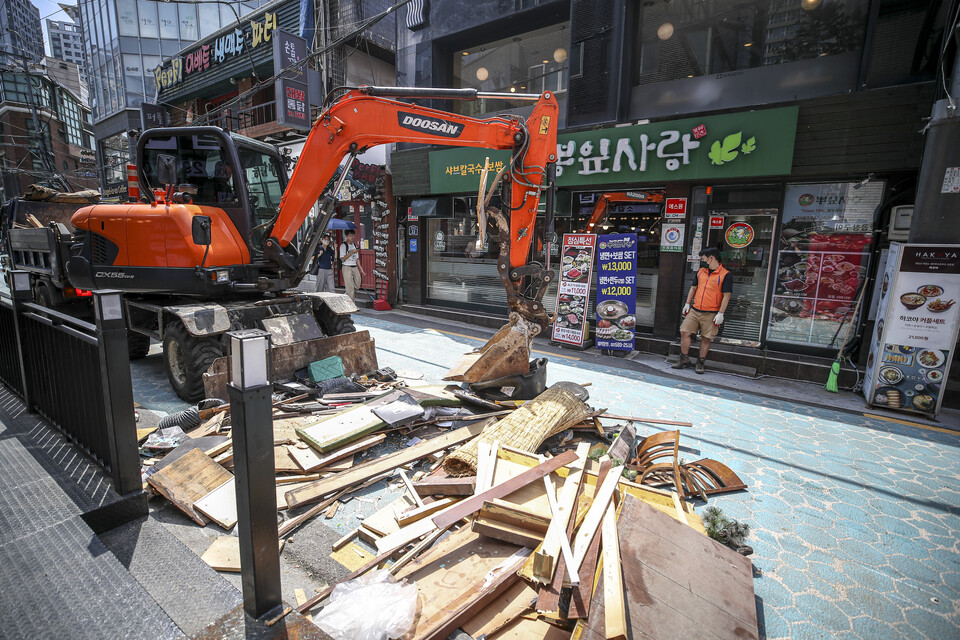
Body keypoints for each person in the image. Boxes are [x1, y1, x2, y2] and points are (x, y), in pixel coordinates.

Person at [673, 246, 731, 374]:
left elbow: (727, 295)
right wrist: (687, 304)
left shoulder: (725, 275)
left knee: (706, 338)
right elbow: (693, 288)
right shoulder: (701, 272)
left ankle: (700, 362)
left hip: (711, 312)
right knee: (684, 332)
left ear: (711, 258)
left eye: (704, 259)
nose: (703, 261)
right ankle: (684, 358)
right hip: (695, 309)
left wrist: (721, 313)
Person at [339, 229, 364, 301]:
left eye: (353, 235)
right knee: (350, 289)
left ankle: (346, 295)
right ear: (346, 236)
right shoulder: (343, 246)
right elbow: (342, 259)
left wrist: (361, 270)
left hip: (354, 267)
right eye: (350, 235)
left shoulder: (354, 245)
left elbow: (357, 259)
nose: (352, 237)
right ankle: (352, 306)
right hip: (346, 267)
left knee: (357, 284)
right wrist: (352, 252)